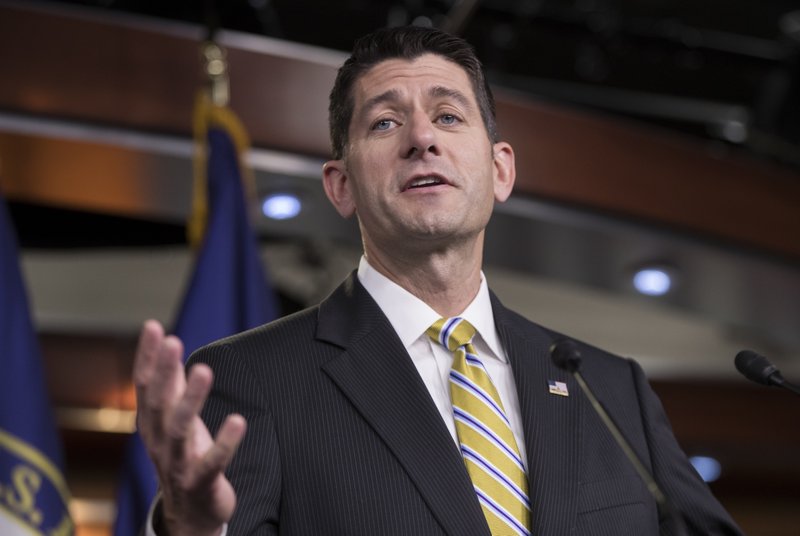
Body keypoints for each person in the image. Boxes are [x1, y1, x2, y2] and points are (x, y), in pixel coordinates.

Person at [135, 26, 744, 535]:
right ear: (340, 186)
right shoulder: (250, 381)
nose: (421, 139)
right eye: (384, 124)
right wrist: (192, 529)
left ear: (500, 169)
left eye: (448, 116)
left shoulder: (612, 390)